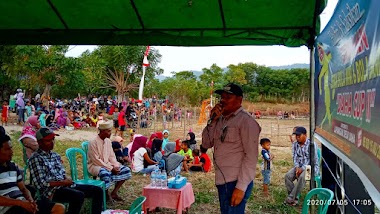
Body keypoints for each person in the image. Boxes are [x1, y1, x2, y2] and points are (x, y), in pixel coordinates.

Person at [202, 83, 261, 213]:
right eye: (222, 97)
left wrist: (241, 187)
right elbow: (206, 144)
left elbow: (251, 157)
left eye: (228, 97)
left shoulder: (247, 122)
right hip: (222, 181)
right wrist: (212, 120)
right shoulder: (220, 119)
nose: (223, 100)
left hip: (235, 182)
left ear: (239, 100)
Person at [28, 127, 103, 214]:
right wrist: (64, 182)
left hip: (64, 186)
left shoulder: (55, 155)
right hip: (51, 192)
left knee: (97, 190)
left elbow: (62, 174)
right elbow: (41, 184)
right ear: (39, 142)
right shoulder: (35, 158)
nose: (52, 142)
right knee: (78, 195)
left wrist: (66, 181)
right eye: (48, 140)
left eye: (53, 139)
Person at [0, 129, 65, 214]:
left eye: (11, 148)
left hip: (22, 203)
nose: (11, 152)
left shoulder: (13, 166)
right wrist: (21, 203)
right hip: (8, 208)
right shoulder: (36, 158)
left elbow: (23, 188)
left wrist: (31, 201)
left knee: (59, 208)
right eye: (7, 149)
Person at [87, 121, 132, 202]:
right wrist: (111, 168)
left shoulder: (108, 141)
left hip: (108, 164)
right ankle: (106, 194)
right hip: (95, 166)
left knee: (126, 170)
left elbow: (112, 156)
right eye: (108, 131)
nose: (110, 133)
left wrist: (116, 166)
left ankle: (114, 193)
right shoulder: (93, 142)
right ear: (102, 131)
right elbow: (96, 160)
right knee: (105, 173)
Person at [284, 126, 319, 206]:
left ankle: (291, 198)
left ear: (305, 135)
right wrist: (297, 168)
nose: (297, 137)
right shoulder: (295, 144)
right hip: (298, 167)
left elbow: (312, 160)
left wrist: (302, 169)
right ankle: (294, 199)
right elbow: (295, 157)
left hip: (311, 168)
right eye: (296, 135)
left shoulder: (312, 145)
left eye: (299, 135)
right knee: (288, 176)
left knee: (302, 177)